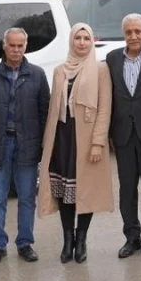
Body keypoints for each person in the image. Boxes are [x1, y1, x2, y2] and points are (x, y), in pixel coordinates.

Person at [38, 23, 114, 263]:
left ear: (92, 42)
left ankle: (81, 241)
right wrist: (48, 143)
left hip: (87, 138)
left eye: (86, 38)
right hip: (62, 137)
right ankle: (67, 240)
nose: (81, 43)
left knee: (85, 190)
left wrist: (98, 142)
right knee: (64, 192)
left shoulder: (100, 69)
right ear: (71, 41)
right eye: (77, 38)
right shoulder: (60, 70)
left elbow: (105, 108)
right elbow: (53, 108)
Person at [0, 27, 50, 265]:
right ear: (4, 46)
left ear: (25, 46)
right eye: (12, 45)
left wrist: (44, 147)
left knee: (27, 197)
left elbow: (45, 114)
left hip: (28, 144)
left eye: (20, 46)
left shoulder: (37, 75)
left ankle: (25, 242)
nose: (16, 50)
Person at [105, 14, 141, 260]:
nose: (133, 36)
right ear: (124, 34)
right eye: (129, 32)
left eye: (138, 31)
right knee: (127, 189)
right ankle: (132, 237)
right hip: (123, 136)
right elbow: (108, 98)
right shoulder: (111, 59)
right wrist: (108, 133)